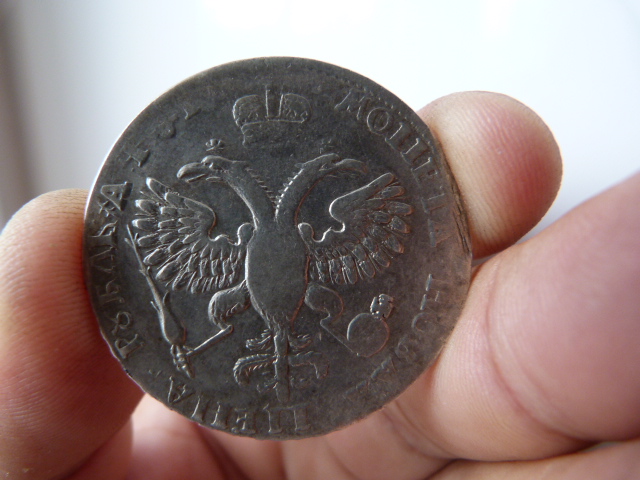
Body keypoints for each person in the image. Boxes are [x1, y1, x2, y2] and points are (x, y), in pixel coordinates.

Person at [0, 91, 637, 479]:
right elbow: (170, 232)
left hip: (309, 321)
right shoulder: (237, 234)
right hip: (256, 321)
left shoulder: (314, 233)